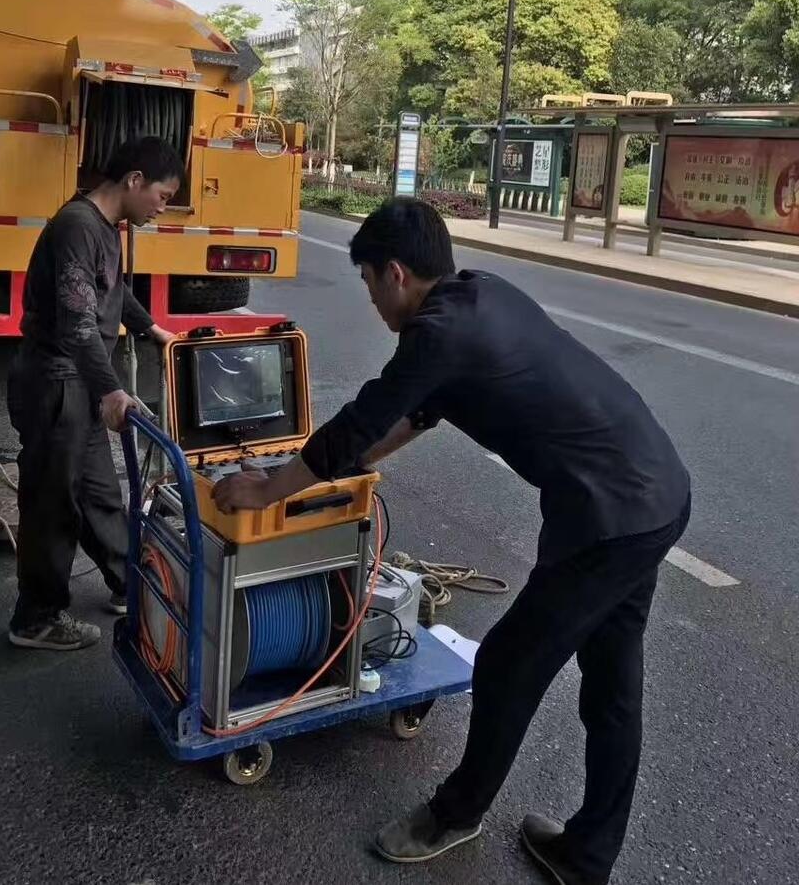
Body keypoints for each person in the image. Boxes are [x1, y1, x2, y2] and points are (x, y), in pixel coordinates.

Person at [212, 198, 691, 884]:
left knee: (507, 665)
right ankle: (587, 854)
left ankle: (454, 814)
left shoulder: (436, 333)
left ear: (397, 273)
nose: (374, 301)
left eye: (371, 284)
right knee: (613, 683)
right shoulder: (479, 296)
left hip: (608, 520)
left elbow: (360, 419)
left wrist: (266, 489)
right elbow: (419, 411)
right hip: (658, 491)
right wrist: (356, 466)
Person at [7, 136, 183, 651]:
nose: (161, 207)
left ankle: (132, 583)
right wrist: (112, 391)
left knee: (101, 494)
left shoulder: (106, 228)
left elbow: (114, 290)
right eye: (163, 196)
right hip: (55, 382)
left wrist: (153, 329)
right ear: (133, 181)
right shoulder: (77, 227)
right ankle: (35, 620)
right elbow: (78, 323)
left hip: (77, 382)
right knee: (51, 502)